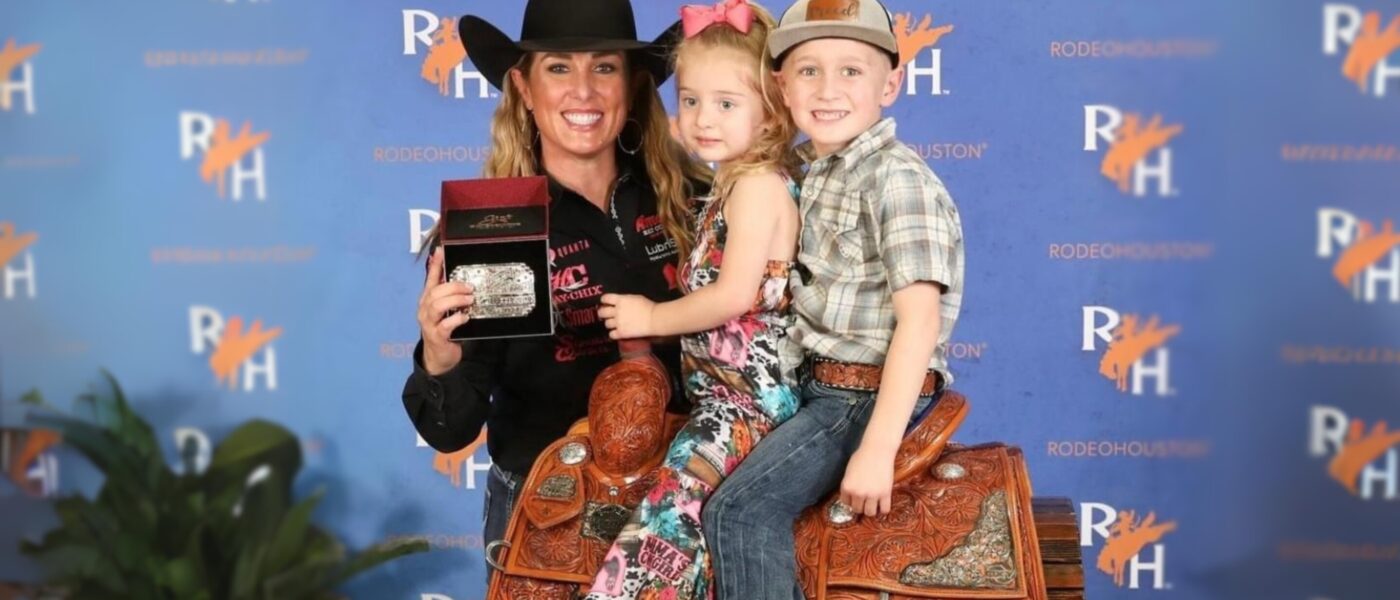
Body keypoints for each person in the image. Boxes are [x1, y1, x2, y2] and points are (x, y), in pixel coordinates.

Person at [400, 0, 708, 577]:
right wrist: (439, 357)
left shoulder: (698, 200)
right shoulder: (487, 232)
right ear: (523, 85)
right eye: (559, 68)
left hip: (684, 498)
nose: (583, 91)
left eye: (605, 67)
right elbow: (452, 430)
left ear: (634, 84)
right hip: (548, 512)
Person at [699, 0, 967, 597]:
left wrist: (876, 449)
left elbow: (919, 322)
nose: (828, 88)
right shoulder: (813, 173)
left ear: (891, 84)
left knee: (740, 512)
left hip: (860, 396)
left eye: (852, 70)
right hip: (816, 387)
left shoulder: (897, 179)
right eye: (808, 70)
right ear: (781, 87)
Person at [583, 1, 800, 597]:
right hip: (721, 401)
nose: (704, 118)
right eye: (692, 100)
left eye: (727, 104)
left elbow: (732, 295)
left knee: (665, 526)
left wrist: (651, 315)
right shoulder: (731, 181)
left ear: (772, 110)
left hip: (748, 408)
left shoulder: (756, 188)